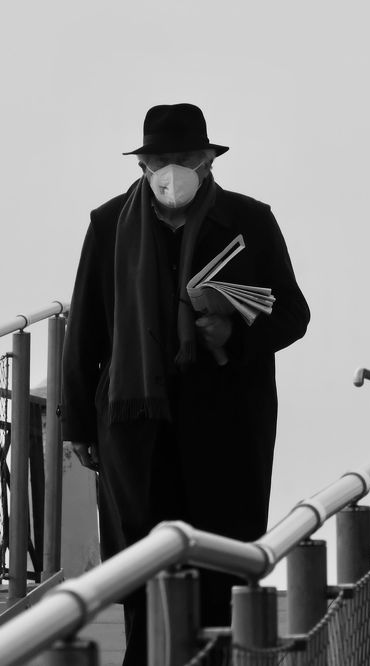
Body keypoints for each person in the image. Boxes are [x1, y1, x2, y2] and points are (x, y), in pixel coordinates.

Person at [61, 103, 310, 664]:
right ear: (142, 166)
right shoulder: (109, 224)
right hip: (136, 427)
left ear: (208, 161)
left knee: (220, 568)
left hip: (227, 423)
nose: (171, 171)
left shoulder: (249, 220)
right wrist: (78, 424)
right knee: (143, 569)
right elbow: (87, 330)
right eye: (160, 160)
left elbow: (294, 314)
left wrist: (233, 334)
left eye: (185, 157)